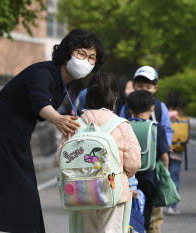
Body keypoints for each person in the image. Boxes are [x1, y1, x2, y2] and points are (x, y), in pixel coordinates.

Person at [0, 28, 104, 233]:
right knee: (10, 203)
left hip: (15, 142)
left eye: (92, 58)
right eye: (81, 53)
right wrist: (58, 119)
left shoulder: (64, 83)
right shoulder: (43, 72)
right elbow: (40, 101)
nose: (86, 61)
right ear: (67, 51)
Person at [56, 73, 141, 233]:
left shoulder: (73, 124)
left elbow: (59, 159)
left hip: (80, 191)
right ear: (114, 98)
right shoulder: (121, 125)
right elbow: (133, 163)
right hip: (113, 191)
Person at [119, 66, 173, 232]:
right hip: (150, 171)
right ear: (133, 85)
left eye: (148, 87)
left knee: (134, 207)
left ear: (155, 88)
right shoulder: (135, 108)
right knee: (149, 206)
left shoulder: (159, 106)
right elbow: (165, 131)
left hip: (130, 170)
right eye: (140, 86)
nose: (144, 89)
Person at [126, 90, 170, 232]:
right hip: (149, 176)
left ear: (130, 109)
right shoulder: (157, 128)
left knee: (127, 208)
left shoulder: (124, 126)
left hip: (128, 176)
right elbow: (164, 156)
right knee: (147, 208)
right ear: (152, 107)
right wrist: (165, 173)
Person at [165, 91, 186, 215]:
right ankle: (172, 206)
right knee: (174, 179)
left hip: (165, 152)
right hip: (178, 152)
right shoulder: (182, 117)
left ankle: (158, 203)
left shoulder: (164, 113)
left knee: (162, 178)